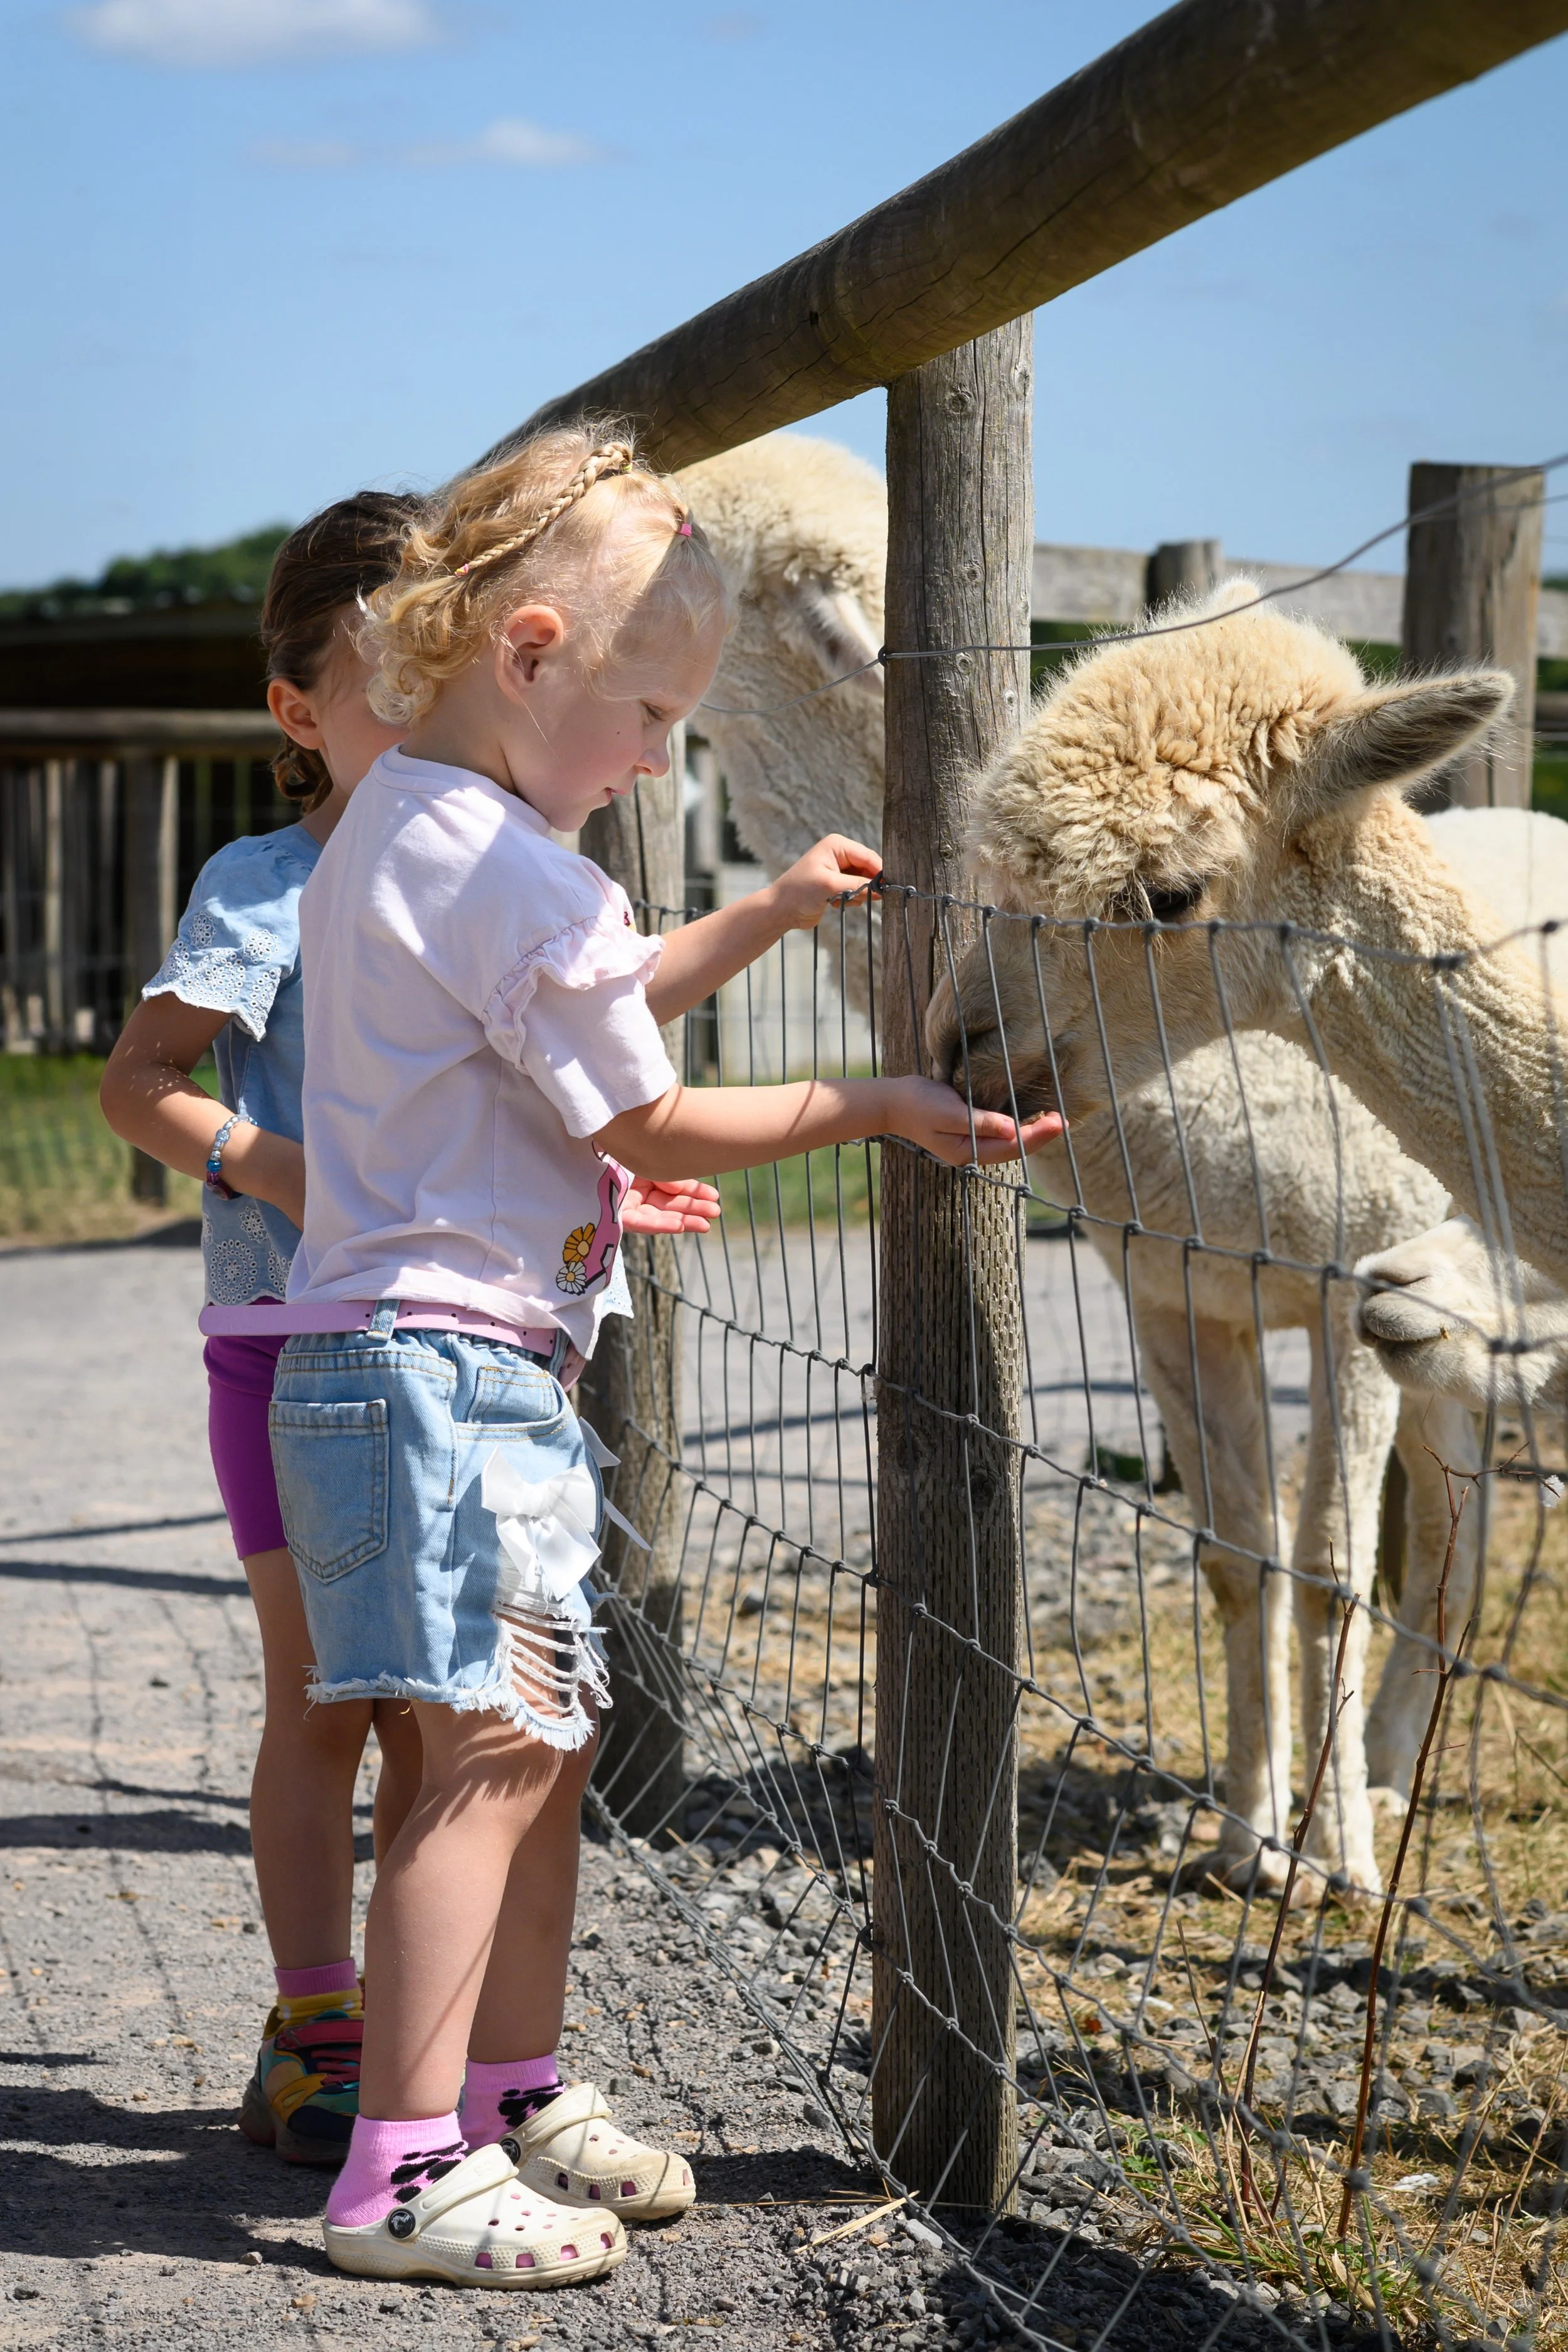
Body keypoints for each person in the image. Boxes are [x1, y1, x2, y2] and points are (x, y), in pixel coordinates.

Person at [267, 426, 1059, 2289]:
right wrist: (886, 1100)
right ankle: (402, 2164)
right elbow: (649, 1115)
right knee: (479, 1758)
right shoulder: (521, 872)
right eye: (647, 713)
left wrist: (766, 908)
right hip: (449, 1376)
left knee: (539, 1734)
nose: (655, 757)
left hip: (416, 1361)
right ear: (526, 651)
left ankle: (508, 2088)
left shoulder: (410, 820)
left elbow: (563, 1029)